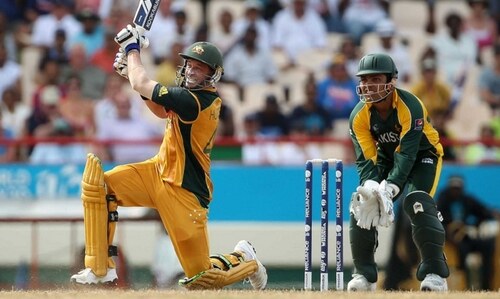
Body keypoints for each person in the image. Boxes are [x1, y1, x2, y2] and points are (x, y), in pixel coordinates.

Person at [69, 24, 268, 290]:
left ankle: (245, 258)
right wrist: (131, 69)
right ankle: (100, 268)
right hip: (156, 172)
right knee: (100, 187)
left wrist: (132, 50)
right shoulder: (187, 97)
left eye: (199, 68)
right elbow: (161, 110)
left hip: (185, 192)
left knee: (202, 279)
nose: (191, 71)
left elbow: (142, 82)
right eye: (190, 65)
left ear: (212, 75)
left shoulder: (196, 102)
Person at [347, 53, 449, 292]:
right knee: (363, 203)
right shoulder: (358, 116)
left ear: (392, 81)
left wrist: (391, 187)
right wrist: (372, 186)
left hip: (424, 156)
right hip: (388, 159)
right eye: (364, 80)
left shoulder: (411, 105)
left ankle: (435, 274)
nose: (368, 86)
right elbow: (365, 159)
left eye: (375, 79)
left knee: (417, 203)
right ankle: (364, 275)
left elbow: (407, 153)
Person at [436, 175, 498, 290]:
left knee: (488, 245)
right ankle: (465, 286)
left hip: (466, 235)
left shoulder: (466, 200)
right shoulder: (443, 200)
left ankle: (486, 287)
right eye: (453, 188)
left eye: (458, 189)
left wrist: (475, 226)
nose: (456, 191)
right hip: (450, 237)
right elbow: (437, 220)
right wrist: (450, 230)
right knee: (462, 249)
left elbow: (484, 212)